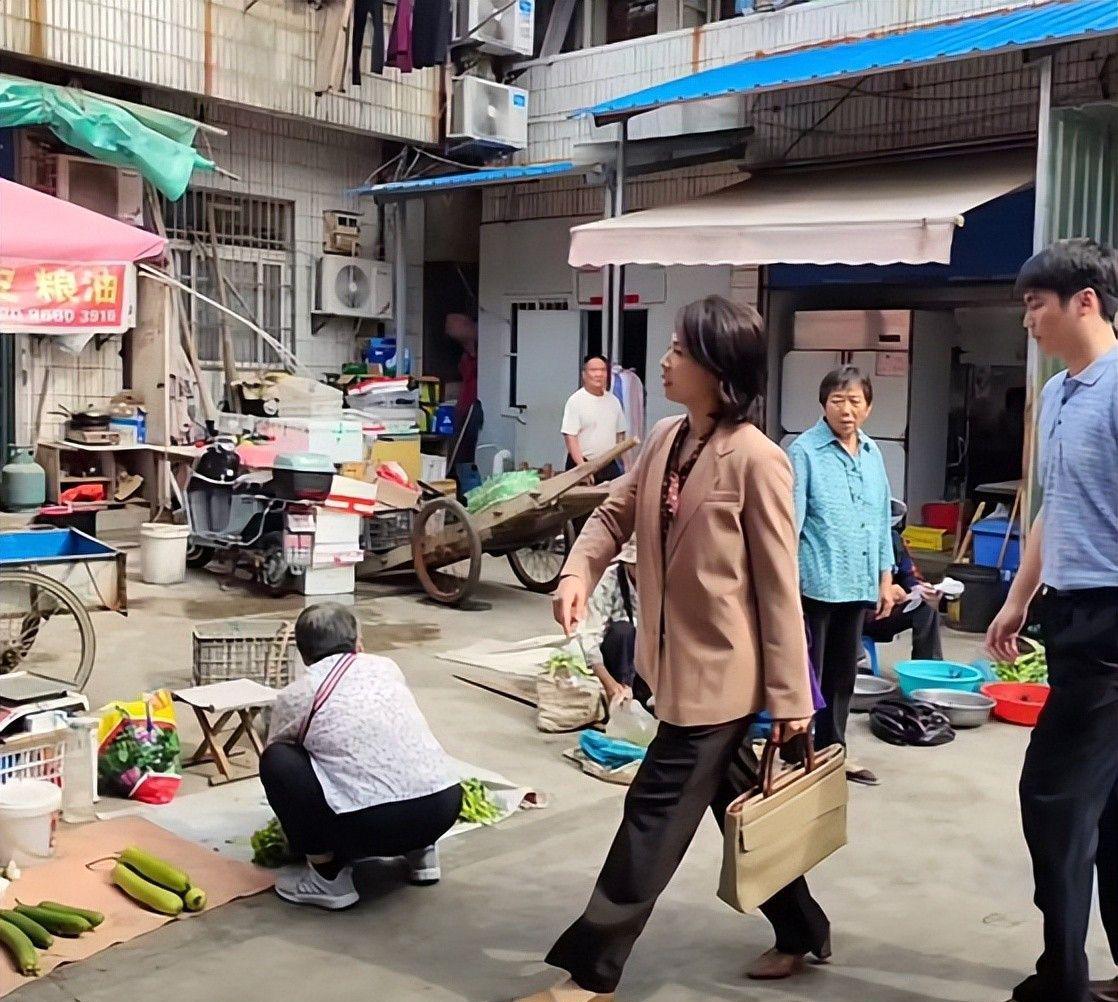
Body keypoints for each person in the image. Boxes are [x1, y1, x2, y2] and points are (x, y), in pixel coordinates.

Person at [515, 296, 828, 1002]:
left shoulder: (758, 461)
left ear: (719, 371)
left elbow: (780, 591)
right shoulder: (664, 437)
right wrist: (576, 571)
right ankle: (802, 927)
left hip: (722, 678)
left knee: (651, 817)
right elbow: (613, 512)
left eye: (681, 350)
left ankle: (592, 973)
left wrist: (791, 700)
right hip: (668, 668)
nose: (665, 358)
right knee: (741, 801)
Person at [985, 238, 1118, 1002]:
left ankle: (1061, 980)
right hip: (1070, 614)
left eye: (1037, 303)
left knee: (1056, 800)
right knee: (1109, 809)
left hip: (1110, 628)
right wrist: (1016, 597)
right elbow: (1052, 508)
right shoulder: (1061, 394)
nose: (1027, 319)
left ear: (1085, 302)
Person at [261, 602, 462, 910]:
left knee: (277, 759)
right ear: (358, 643)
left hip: (371, 828)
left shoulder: (300, 693)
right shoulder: (387, 668)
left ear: (304, 655)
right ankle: (422, 852)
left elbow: (278, 745)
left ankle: (327, 878)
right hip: (444, 806)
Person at [789, 366, 894, 787]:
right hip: (815, 583)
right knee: (806, 675)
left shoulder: (872, 453)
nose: (846, 410)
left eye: (854, 401)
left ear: (867, 407)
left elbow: (882, 519)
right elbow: (790, 523)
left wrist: (885, 577)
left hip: (857, 583)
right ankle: (801, 755)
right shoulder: (805, 452)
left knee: (841, 676)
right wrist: (786, 587)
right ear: (823, 405)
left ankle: (834, 753)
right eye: (837, 401)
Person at [862, 500, 944, 663]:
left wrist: (920, 589)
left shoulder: (894, 541)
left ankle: (927, 668)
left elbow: (909, 575)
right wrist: (880, 592)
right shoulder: (851, 542)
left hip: (884, 616)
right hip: (849, 618)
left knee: (925, 605)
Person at [574, 538, 648, 708]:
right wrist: (608, 683)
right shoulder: (609, 580)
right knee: (624, 630)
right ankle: (622, 690)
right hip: (616, 654)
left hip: (646, 658)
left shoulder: (660, 582)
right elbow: (589, 634)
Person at [561, 354, 627, 483]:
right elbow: (570, 437)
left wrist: (625, 464)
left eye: (602, 370)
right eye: (593, 370)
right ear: (584, 375)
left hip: (608, 464)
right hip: (581, 463)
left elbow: (621, 436)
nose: (599, 374)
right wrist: (582, 468)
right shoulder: (575, 401)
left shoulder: (614, 401)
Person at [446, 312, 482, 467]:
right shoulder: (466, 356)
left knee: (467, 452)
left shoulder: (482, 352)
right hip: (465, 406)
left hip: (475, 407)